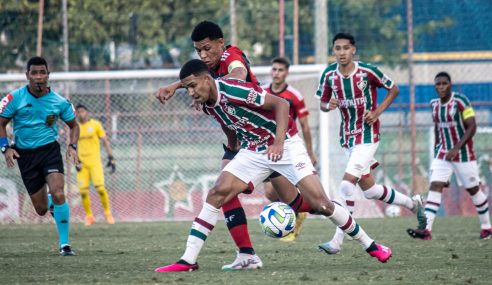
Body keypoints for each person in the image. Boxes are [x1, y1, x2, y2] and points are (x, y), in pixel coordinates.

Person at [154, 59, 392, 273]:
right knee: (217, 193)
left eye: (194, 86)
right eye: (188, 88)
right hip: (253, 151)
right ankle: (188, 260)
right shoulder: (206, 102)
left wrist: (278, 143)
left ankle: (371, 245)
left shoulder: (234, 89)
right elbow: (223, 117)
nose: (192, 92)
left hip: (286, 145)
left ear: (207, 80)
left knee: (321, 204)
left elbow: (281, 105)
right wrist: (177, 87)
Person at [155, 21, 311, 270]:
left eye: (207, 49)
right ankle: (245, 254)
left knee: (303, 203)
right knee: (221, 192)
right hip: (242, 140)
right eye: (198, 51)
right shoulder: (208, 68)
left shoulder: (232, 57)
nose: (204, 55)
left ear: (220, 43)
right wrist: (180, 86)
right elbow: (203, 81)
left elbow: (237, 75)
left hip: (263, 137)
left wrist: (208, 88)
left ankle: (334, 212)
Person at [315, 33, 426, 255]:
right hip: (347, 138)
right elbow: (322, 104)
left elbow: (393, 89)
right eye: (338, 48)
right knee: (370, 190)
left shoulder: (367, 72)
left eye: (346, 48)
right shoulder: (329, 74)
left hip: (367, 137)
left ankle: (338, 240)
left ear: (353, 50)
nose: (342, 52)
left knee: (346, 185)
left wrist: (377, 112)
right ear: (334, 50)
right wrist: (330, 105)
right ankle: (413, 204)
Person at [0, 56, 79, 256]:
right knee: (42, 209)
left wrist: (72, 145)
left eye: (42, 72)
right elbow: (0, 123)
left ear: (48, 75)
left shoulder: (59, 102)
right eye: (34, 73)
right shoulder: (14, 98)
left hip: (50, 151)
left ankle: (65, 245)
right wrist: (5, 147)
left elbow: (74, 125)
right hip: (25, 156)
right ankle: (52, 204)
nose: (38, 77)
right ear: (27, 75)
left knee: (60, 193)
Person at [407, 72, 491, 240]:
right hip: (443, 154)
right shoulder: (434, 105)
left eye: (444, 83)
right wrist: (437, 150)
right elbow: (438, 128)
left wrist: (456, 148)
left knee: (473, 190)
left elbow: (472, 126)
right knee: (435, 186)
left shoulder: (461, 102)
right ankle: (426, 230)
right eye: (438, 84)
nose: (441, 87)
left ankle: (486, 226)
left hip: (464, 154)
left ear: (450, 84)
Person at [261, 57, 316, 241]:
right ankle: (296, 214)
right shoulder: (263, 92)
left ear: (287, 73)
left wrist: (310, 152)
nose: (276, 73)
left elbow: (305, 126)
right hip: (269, 148)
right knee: (270, 192)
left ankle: (292, 222)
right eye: (274, 69)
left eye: (280, 70)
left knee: (286, 192)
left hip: (289, 148)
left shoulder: (295, 96)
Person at [75, 104, 116, 226]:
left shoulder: (96, 125)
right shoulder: (75, 127)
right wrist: (76, 160)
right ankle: (89, 216)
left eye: (83, 111)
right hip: (82, 164)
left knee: (101, 189)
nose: (81, 114)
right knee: (83, 192)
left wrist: (111, 157)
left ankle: (108, 214)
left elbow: (105, 141)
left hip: (95, 163)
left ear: (87, 113)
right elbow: (72, 145)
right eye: (78, 112)